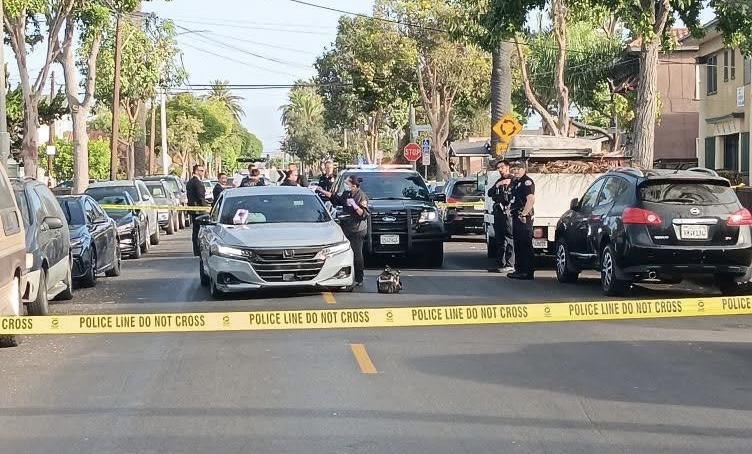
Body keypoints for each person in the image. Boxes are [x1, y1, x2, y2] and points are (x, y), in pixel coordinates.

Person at [320, 175, 369, 287]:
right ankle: (344, 275)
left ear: (354, 185)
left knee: (357, 253)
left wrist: (355, 206)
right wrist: (323, 191)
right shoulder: (347, 194)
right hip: (346, 227)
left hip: (357, 229)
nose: (346, 185)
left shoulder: (361, 196)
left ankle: (359, 278)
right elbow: (336, 199)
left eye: (347, 183)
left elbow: (364, 214)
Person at [507, 160, 536, 280]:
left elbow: (530, 199)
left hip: (523, 217)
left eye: (518, 169)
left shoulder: (526, 182)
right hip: (516, 215)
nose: (516, 171)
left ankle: (527, 271)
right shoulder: (516, 182)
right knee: (518, 243)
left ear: (524, 169)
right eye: (514, 169)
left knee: (525, 244)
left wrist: (524, 214)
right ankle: (519, 270)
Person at [487, 160, 515, 273]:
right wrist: (498, 185)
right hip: (498, 212)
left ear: (507, 167)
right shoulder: (499, 181)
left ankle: (510, 263)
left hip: (507, 213)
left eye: (502, 167)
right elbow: (490, 193)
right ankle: (501, 263)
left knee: (509, 238)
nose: (500, 170)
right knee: (500, 239)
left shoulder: (513, 180)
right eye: (498, 168)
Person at [186, 164, 207, 256]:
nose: (202, 172)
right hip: (198, 210)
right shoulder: (196, 182)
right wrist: (206, 208)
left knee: (196, 230)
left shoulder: (190, 182)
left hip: (194, 210)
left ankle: (197, 250)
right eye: (200, 170)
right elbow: (201, 196)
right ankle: (198, 250)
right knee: (199, 231)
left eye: (203, 171)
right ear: (195, 171)